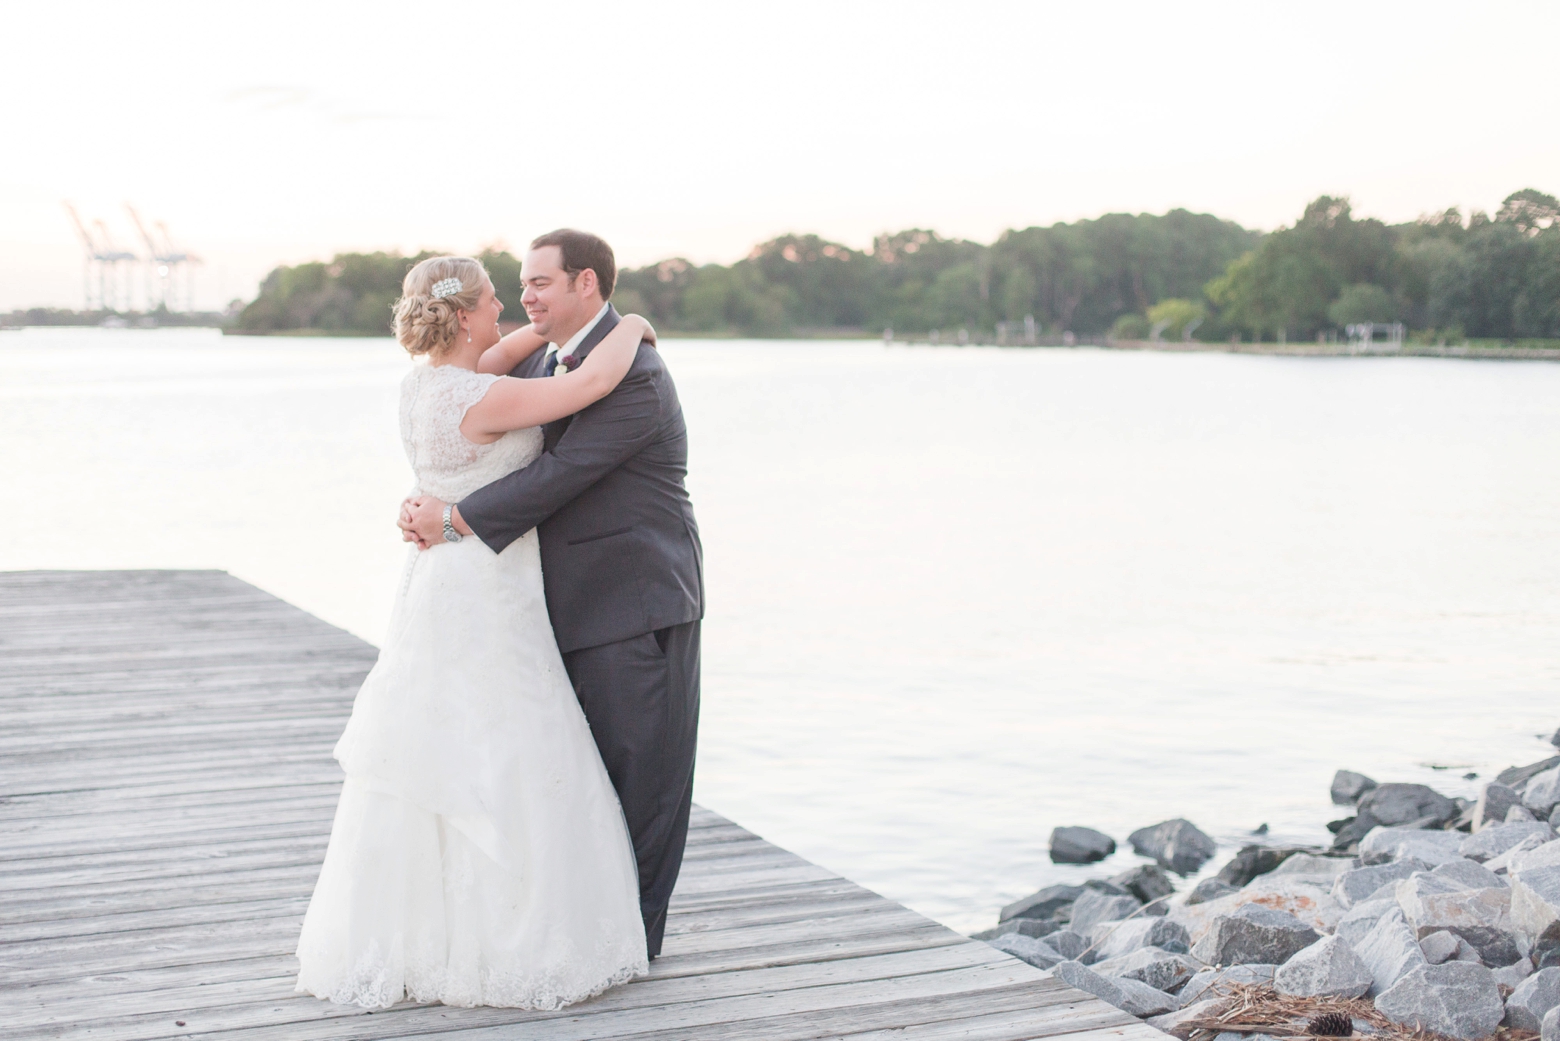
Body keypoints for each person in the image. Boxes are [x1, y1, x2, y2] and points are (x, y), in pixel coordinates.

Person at [295, 254, 657, 1010]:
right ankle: (502, 934)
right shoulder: (486, 396)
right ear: (464, 315)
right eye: (495, 300)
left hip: (437, 586)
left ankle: (418, 932)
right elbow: (590, 384)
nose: (507, 310)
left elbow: (504, 349)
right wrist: (636, 327)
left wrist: (542, 326)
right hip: (487, 589)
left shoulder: (423, 385)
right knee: (505, 738)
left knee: (438, 740)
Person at [399, 229, 703, 961]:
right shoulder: (538, 359)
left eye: (540, 282)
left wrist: (452, 516)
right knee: (558, 778)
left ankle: (636, 943)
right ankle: (562, 924)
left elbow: (562, 474)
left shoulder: (637, 373)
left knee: (643, 782)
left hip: (631, 602)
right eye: (517, 286)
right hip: (538, 604)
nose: (524, 296)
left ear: (588, 285)